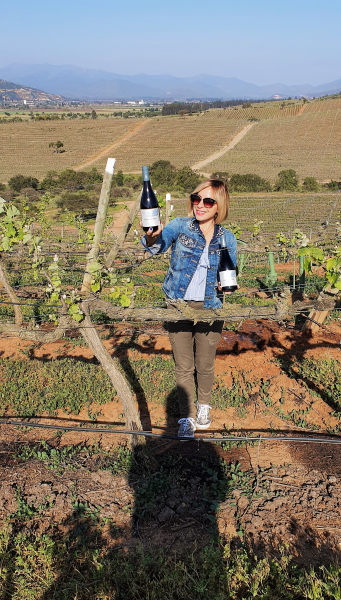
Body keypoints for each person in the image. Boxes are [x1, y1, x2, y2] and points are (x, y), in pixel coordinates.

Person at [141, 179, 237, 438]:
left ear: (219, 206)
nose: (200, 205)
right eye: (197, 198)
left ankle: (204, 405)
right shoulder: (179, 226)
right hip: (178, 304)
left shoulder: (227, 237)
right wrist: (151, 237)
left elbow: (231, 272)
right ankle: (187, 417)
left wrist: (226, 285)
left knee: (204, 363)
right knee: (183, 365)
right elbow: (158, 247)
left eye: (208, 201)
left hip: (211, 306)